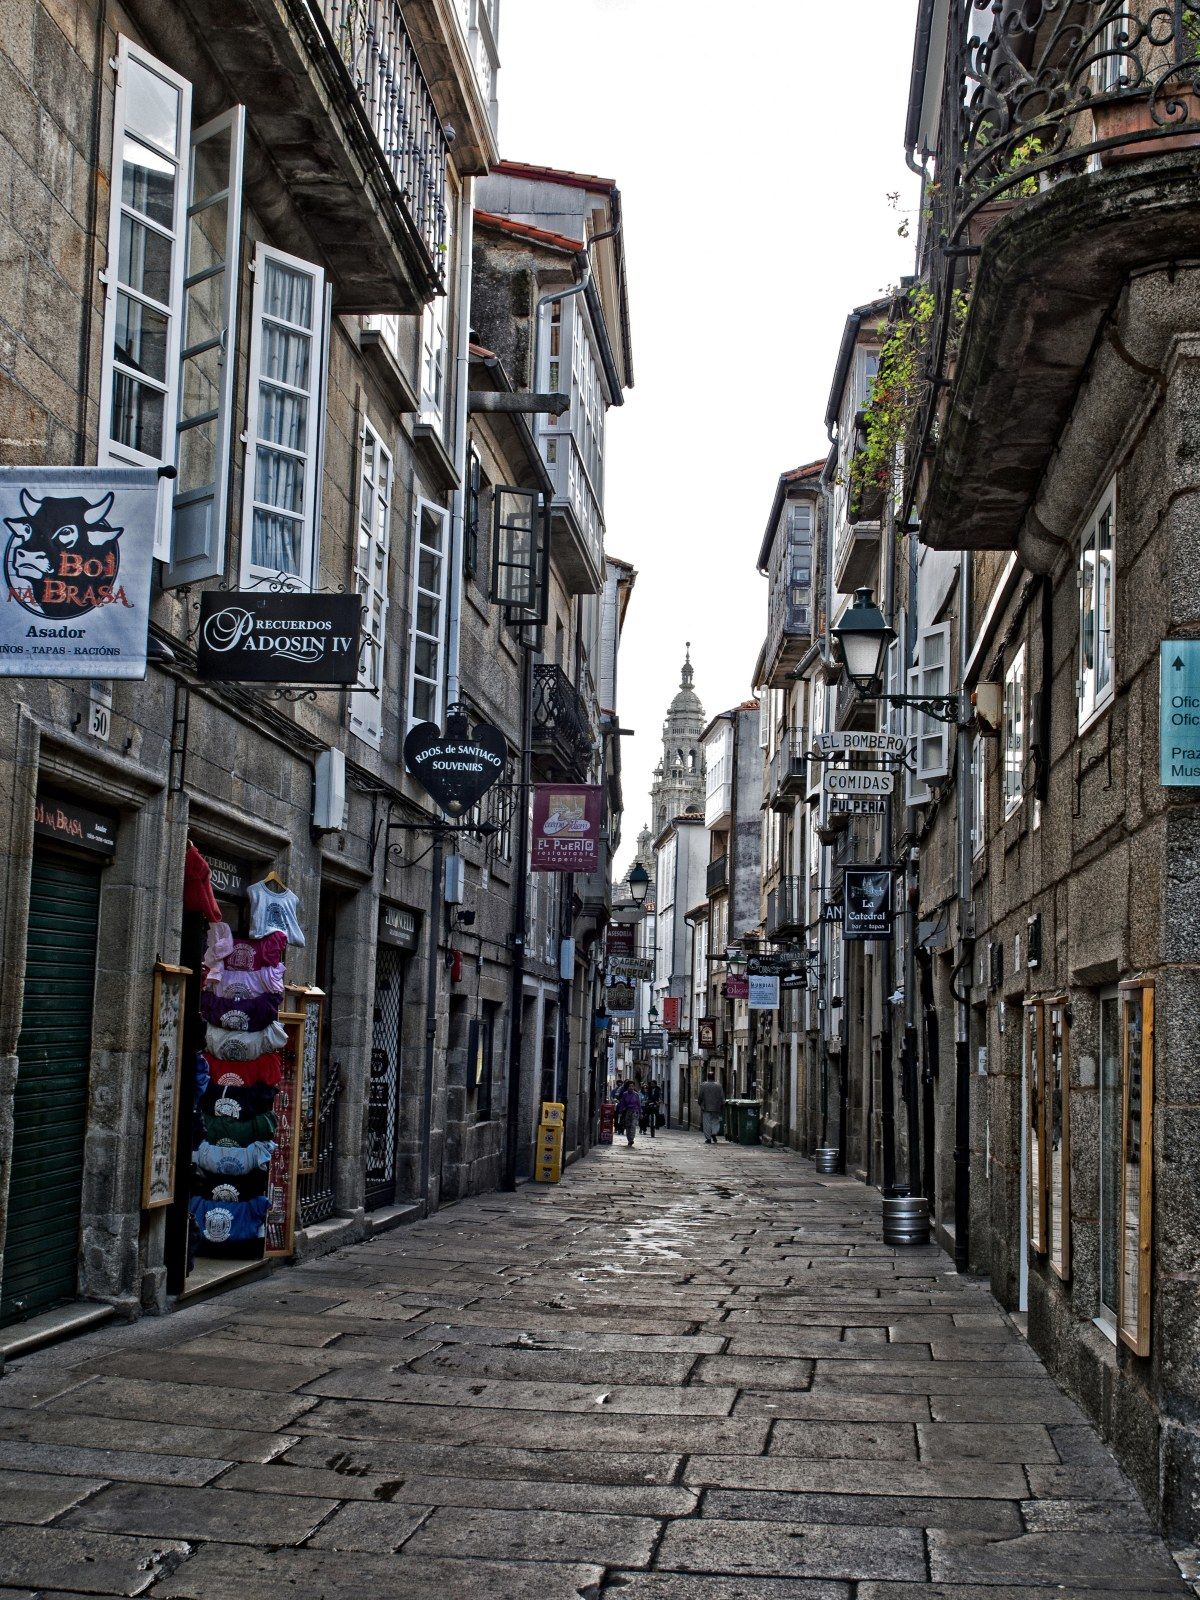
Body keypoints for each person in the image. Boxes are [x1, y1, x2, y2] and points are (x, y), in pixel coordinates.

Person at [697, 1068, 725, 1145]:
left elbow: (700, 1096)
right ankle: (714, 1133)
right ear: (714, 1077)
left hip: (706, 1107)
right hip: (716, 1107)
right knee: (715, 1121)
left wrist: (700, 1104)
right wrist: (722, 1105)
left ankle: (708, 1138)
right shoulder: (719, 1086)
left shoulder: (703, 1085)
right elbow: (722, 1097)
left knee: (707, 1123)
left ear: (708, 1077)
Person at [615, 1080, 641, 1146]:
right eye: (630, 1086)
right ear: (627, 1087)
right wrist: (620, 1111)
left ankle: (631, 1138)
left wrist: (640, 1113)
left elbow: (638, 1104)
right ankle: (629, 1139)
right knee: (628, 1126)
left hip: (634, 1111)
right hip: (627, 1111)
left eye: (632, 1086)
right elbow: (622, 1103)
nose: (631, 1087)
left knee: (633, 1125)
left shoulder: (636, 1095)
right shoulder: (625, 1094)